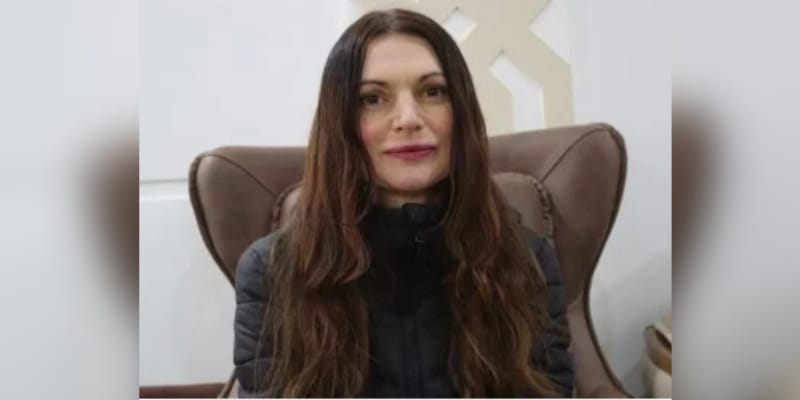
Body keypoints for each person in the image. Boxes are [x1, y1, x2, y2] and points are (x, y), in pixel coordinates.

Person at [233, 8, 573, 398]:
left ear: (461, 112)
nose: (408, 118)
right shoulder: (271, 271)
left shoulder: (527, 259)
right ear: (340, 124)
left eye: (433, 92)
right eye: (372, 98)